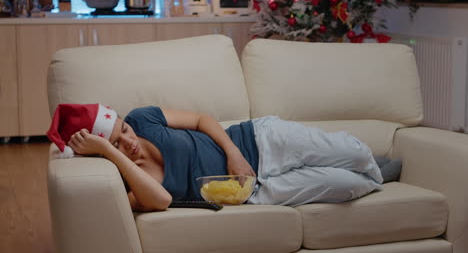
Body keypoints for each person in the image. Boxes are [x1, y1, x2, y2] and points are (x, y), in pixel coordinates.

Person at [47, 103, 384, 212]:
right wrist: (108, 151)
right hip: (254, 192)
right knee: (350, 185)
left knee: (353, 153)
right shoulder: (123, 186)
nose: (128, 140)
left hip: (257, 141)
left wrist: (234, 153)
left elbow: (200, 120)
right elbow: (162, 200)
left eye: (122, 130)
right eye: (116, 144)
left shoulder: (142, 118)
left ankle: (377, 167)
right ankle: (378, 174)